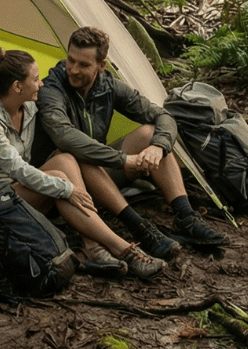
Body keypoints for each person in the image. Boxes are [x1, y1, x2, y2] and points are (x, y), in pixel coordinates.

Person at [0, 46, 165, 280]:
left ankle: (93, 246)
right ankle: (124, 249)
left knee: (65, 159)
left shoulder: (29, 108)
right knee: (61, 181)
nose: (41, 84)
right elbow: (18, 169)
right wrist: (68, 189)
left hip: (13, 192)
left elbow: (61, 128)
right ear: (17, 86)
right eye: (36, 79)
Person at [35, 25, 224, 253]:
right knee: (76, 153)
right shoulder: (51, 88)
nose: (73, 70)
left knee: (149, 133)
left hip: (97, 178)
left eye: (83, 64)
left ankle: (186, 217)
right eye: (70, 60)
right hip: (60, 185)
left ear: (101, 66)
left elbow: (162, 115)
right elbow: (64, 136)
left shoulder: (109, 86)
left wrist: (158, 147)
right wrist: (124, 160)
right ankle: (139, 227)